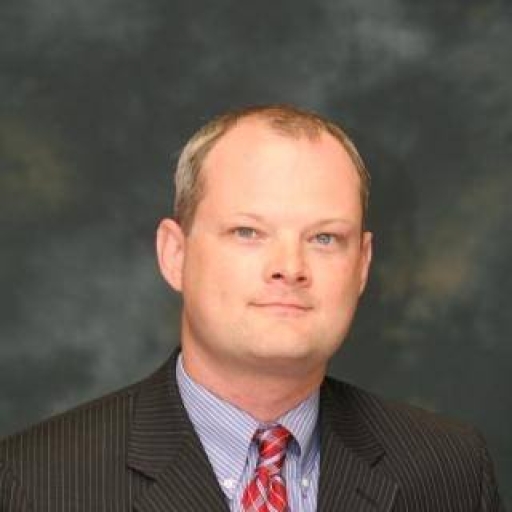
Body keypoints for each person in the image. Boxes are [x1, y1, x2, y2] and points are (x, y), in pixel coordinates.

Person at [0, 105, 504, 511]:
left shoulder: (449, 469)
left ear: (362, 265)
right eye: (248, 232)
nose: (290, 267)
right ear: (175, 255)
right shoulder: (35, 482)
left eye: (324, 238)